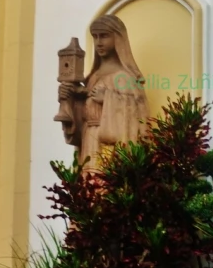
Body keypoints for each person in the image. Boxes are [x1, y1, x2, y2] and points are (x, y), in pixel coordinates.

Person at [58, 14, 150, 175]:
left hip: (109, 145)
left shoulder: (126, 77)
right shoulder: (93, 76)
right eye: (95, 37)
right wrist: (71, 100)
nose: (98, 42)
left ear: (118, 38)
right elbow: (82, 119)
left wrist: (107, 99)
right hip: (88, 140)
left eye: (104, 36)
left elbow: (136, 118)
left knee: (105, 187)